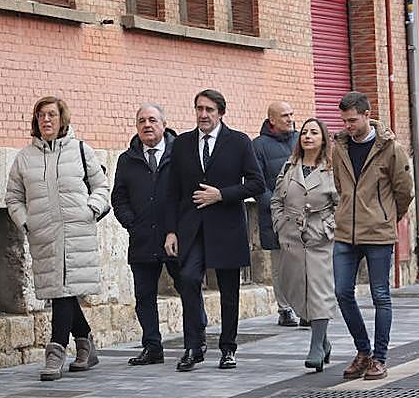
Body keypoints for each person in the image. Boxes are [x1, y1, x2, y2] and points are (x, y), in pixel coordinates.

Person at [6, 96, 110, 380]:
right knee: (61, 291)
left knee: (63, 292)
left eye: (51, 115)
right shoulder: (24, 158)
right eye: (41, 116)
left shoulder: (80, 150)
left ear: (62, 118)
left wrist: (91, 208)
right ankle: (86, 343)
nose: (46, 120)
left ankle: (56, 351)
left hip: (77, 231)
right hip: (44, 235)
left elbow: (101, 186)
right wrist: (27, 222)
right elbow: (13, 197)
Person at [163, 89, 265, 371]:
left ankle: (228, 348)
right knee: (187, 279)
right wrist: (171, 231)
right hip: (191, 228)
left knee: (229, 290)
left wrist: (222, 194)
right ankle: (193, 345)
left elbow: (257, 183)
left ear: (221, 113)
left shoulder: (239, 142)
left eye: (209, 110)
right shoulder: (182, 144)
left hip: (227, 227)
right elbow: (171, 192)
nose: (203, 115)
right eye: (199, 109)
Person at [111, 103, 205, 365]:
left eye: (152, 120)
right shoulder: (127, 159)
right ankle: (152, 347)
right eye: (141, 121)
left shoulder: (181, 154)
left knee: (188, 287)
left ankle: (195, 342)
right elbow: (118, 198)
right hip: (142, 239)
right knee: (144, 296)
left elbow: (190, 194)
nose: (147, 125)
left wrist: (178, 229)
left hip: (176, 238)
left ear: (164, 124)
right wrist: (133, 223)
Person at [332, 91, 415, 381]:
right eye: (344, 121)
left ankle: (379, 358)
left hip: (378, 232)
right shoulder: (339, 147)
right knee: (342, 292)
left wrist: (387, 217)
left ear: (368, 115)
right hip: (345, 232)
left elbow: (404, 190)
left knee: (380, 295)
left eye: (353, 120)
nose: (347, 126)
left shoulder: (390, 148)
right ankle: (363, 351)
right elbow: (340, 186)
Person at [270, 118, 339, 372]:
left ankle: (315, 347)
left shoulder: (332, 169)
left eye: (314, 132)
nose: (308, 136)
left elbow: (341, 204)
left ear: (323, 138)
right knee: (295, 289)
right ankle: (324, 340)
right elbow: (277, 199)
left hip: (320, 238)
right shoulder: (289, 166)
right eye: (305, 132)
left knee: (319, 291)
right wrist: (280, 224)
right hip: (291, 238)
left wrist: (328, 227)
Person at [253, 101, 301, 327]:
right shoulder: (258, 146)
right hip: (275, 215)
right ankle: (285, 309)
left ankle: (305, 307)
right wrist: (276, 206)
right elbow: (256, 181)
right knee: (281, 264)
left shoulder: (302, 139)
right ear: (271, 120)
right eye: (284, 115)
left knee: (304, 263)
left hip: (304, 213)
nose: (290, 118)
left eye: (291, 114)